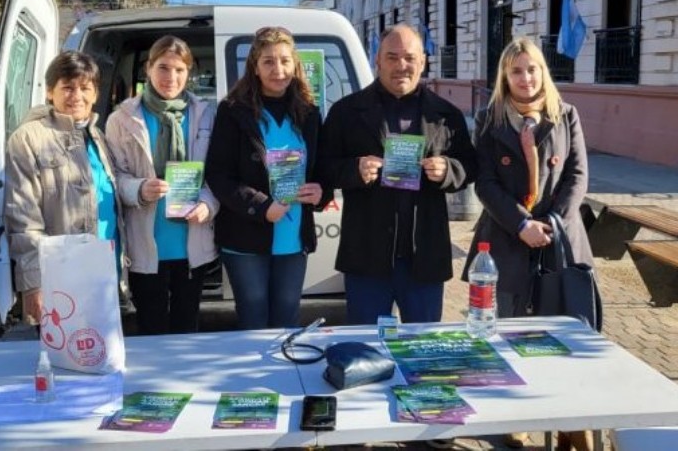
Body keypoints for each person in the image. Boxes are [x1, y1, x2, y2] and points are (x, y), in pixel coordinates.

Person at [461, 37, 594, 451]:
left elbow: (577, 175)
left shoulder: (566, 114)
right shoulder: (489, 118)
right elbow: (484, 181)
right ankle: (514, 416)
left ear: (542, 72)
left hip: (560, 242)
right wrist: (521, 224)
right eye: (516, 70)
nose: (525, 77)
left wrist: (553, 223)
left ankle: (572, 421)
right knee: (508, 332)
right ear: (505, 75)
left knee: (561, 336)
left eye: (532, 68)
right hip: (505, 242)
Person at [319, 24, 478, 325]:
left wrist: (448, 170)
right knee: (366, 352)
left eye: (409, 57)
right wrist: (354, 170)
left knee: (423, 349)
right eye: (392, 57)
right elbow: (322, 168)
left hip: (424, 257)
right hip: (367, 257)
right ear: (377, 60)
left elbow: (470, 166)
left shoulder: (446, 114)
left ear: (423, 62)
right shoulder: (345, 112)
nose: (401, 66)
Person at [205, 26, 329, 330]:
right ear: (255, 67)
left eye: (285, 61)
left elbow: (322, 168)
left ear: (295, 64)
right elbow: (218, 174)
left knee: (288, 319)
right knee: (254, 317)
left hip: (293, 236)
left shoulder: (309, 113)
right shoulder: (233, 111)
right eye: (269, 62)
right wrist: (261, 207)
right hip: (246, 236)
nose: (278, 70)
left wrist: (321, 191)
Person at [105, 36, 218, 335]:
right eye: (164, 68)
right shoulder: (121, 118)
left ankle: (186, 383)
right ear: (148, 68)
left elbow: (218, 175)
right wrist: (139, 189)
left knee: (186, 326)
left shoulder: (206, 114)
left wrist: (207, 204)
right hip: (146, 241)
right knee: (150, 328)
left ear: (189, 73)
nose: (172, 77)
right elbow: (113, 176)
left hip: (191, 241)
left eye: (180, 70)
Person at [4, 51, 126, 327]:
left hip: (103, 271)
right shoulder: (28, 138)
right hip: (60, 280)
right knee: (63, 363)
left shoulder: (97, 136)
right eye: (67, 87)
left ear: (95, 94)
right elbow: (23, 218)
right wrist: (34, 283)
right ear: (50, 92)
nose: (77, 96)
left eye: (85, 88)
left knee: (102, 359)